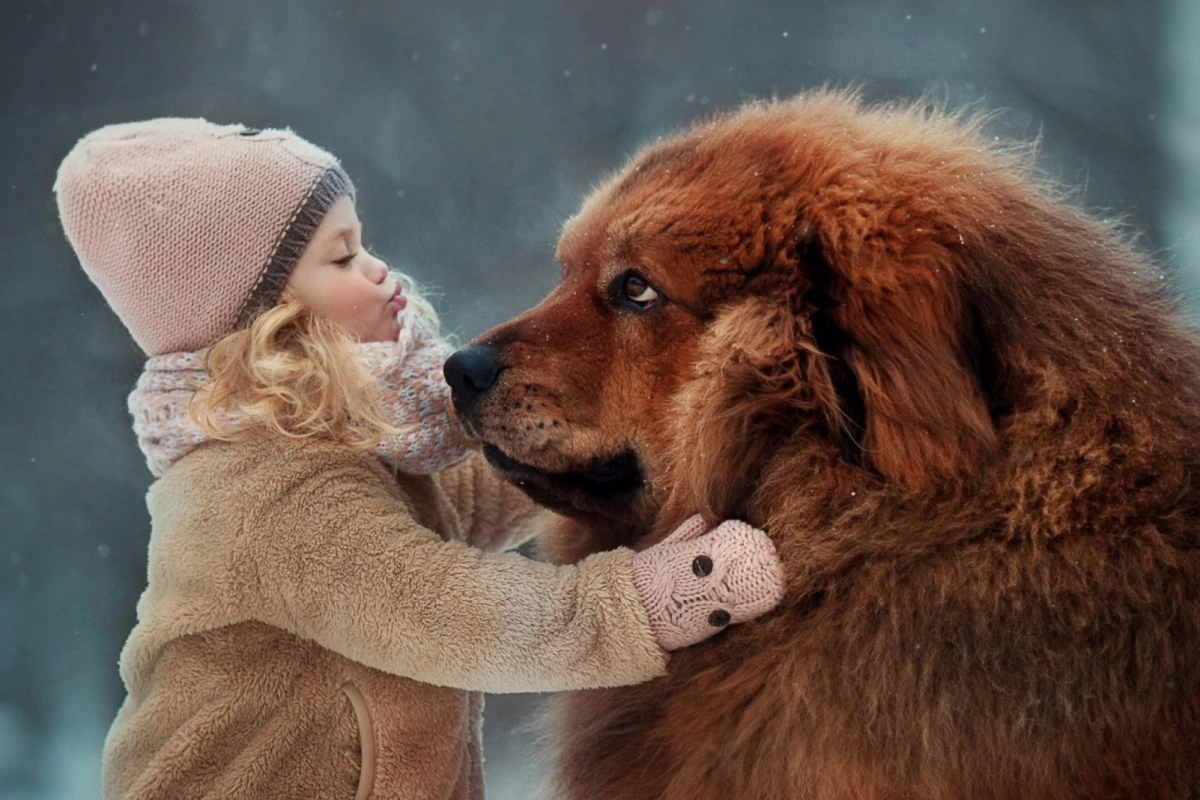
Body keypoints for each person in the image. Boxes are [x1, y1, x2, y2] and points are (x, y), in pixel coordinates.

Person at [54, 119, 786, 800]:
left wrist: (590, 432)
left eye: (364, 243)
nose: (379, 270)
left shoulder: (356, 455)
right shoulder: (264, 497)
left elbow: (476, 493)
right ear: (273, 329)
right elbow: (448, 616)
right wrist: (649, 602)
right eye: (343, 257)